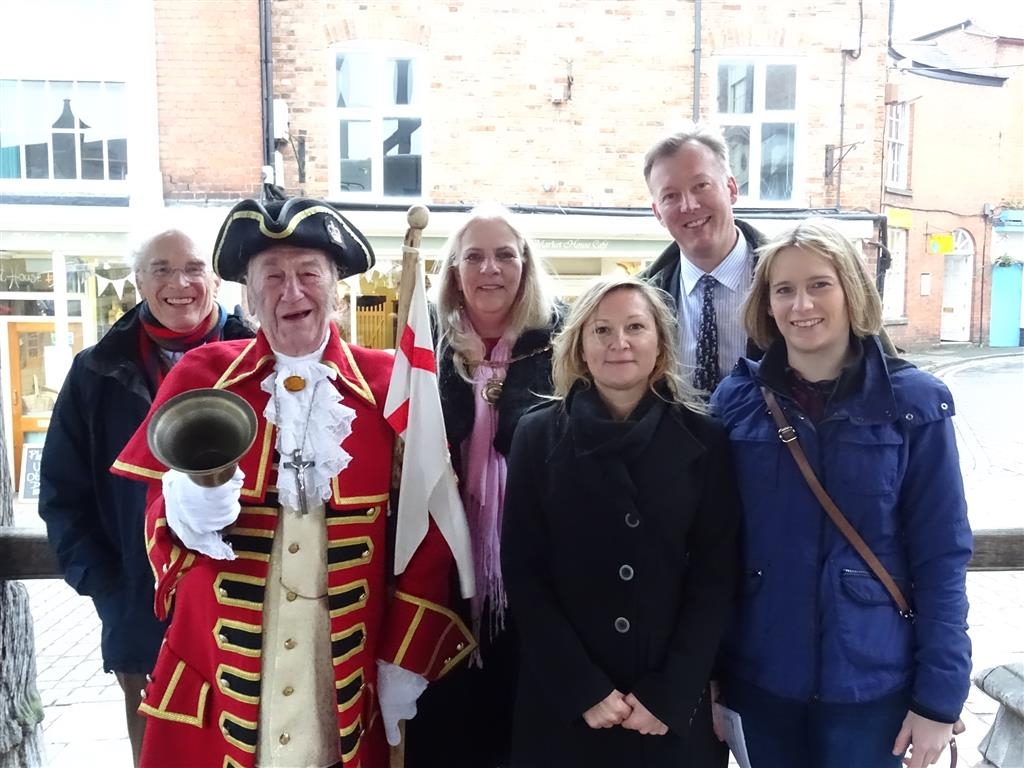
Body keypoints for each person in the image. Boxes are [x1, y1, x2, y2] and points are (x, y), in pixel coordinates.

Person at [111, 197, 475, 768]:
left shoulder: (390, 386)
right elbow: (158, 518)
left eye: (309, 274)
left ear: (337, 290)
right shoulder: (204, 378)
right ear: (250, 298)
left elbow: (428, 531)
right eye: (272, 277)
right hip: (220, 677)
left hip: (340, 676)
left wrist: (404, 659)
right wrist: (188, 506)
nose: (292, 292)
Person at [710, 219, 972, 768]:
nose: (801, 304)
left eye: (819, 285)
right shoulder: (737, 402)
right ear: (767, 304)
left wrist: (939, 697)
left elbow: (942, 554)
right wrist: (707, 674)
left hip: (872, 685)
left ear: (851, 290)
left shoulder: (915, 404)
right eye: (784, 289)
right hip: (761, 678)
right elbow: (713, 550)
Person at [501, 276, 740, 768]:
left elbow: (716, 576)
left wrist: (673, 690)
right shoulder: (536, 435)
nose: (619, 343)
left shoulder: (706, 439)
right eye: (602, 330)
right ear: (580, 346)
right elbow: (524, 573)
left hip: (667, 707)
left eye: (635, 327)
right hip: (566, 705)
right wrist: (580, 687)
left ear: (661, 343)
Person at [38, 229, 253, 767]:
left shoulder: (260, 359)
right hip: (140, 614)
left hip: (246, 613)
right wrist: (110, 591)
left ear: (215, 279)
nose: (180, 283)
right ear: (138, 281)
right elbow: (63, 496)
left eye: (194, 268)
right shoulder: (94, 372)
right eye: (161, 269)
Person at [403, 203, 563, 768]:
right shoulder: (424, 344)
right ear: (454, 270)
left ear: (525, 265)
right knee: (448, 716)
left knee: (521, 711)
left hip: (534, 555)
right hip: (444, 553)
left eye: (504, 256)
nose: (489, 269)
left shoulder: (563, 341)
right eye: (474, 256)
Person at [640, 121, 767, 394]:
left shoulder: (789, 278)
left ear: (731, 189)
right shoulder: (641, 300)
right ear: (658, 213)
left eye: (701, 185)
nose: (689, 205)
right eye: (671, 196)